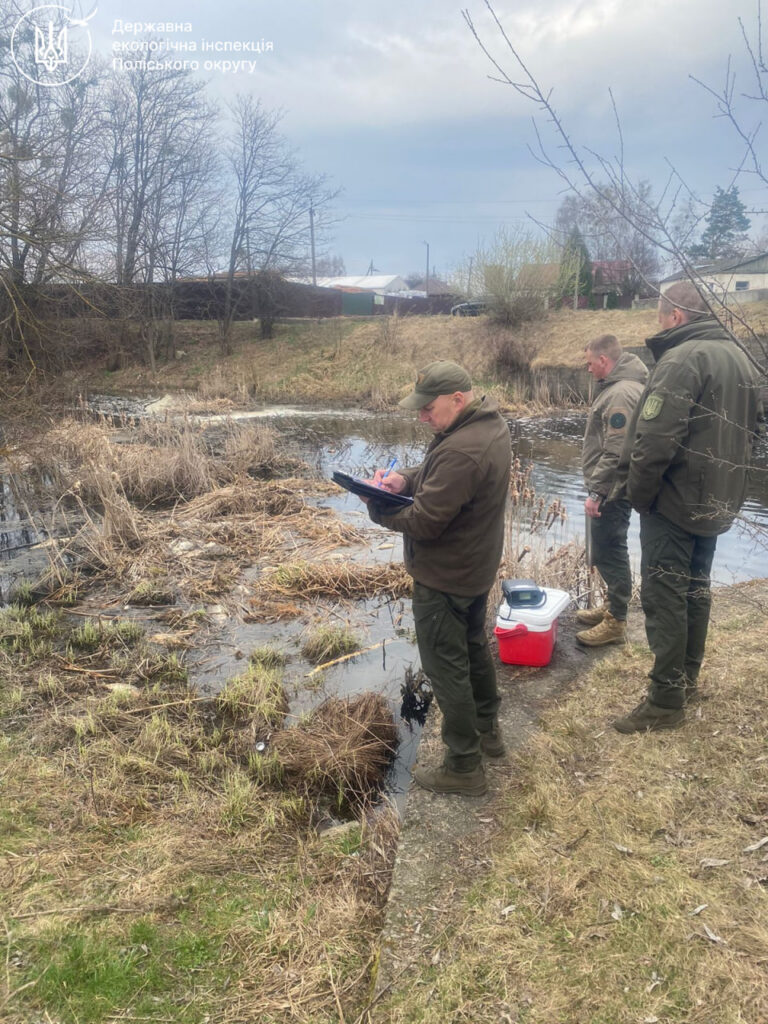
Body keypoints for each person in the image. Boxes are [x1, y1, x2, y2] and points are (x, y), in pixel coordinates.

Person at [610, 281, 764, 733]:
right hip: (717, 501)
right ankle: (686, 680)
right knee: (697, 588)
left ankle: (664, 702)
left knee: (665, 596)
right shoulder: (741, 357)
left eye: (659, 316)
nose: (658, 323)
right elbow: (753, 433)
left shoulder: (682, 359)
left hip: (674, 504)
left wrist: (639, 496)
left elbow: (654, 442)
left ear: (675, 316)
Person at [365, 360, 511, 796]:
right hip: (473, 567)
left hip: (445, 576)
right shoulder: (485, 427)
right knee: (473, 650)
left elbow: (426, 521)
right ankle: (489, 733)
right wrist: (401, 479)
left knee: (446, 668)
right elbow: (439, 474)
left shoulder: (462, 448)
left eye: (428, 409)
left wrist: (377, 505)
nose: (422, 417)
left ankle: (464, 766)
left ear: (457, 399)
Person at [577, 334, 648, 647]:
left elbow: (616, 450)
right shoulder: (619, 387)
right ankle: (612, 608)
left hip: (613, 490)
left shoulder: (620, 394)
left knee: (610, 549)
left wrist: (597, 493)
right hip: (614, 487)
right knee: (608, 547)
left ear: (604, 360)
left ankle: (616, 621)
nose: (588, 368)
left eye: (590, 362)